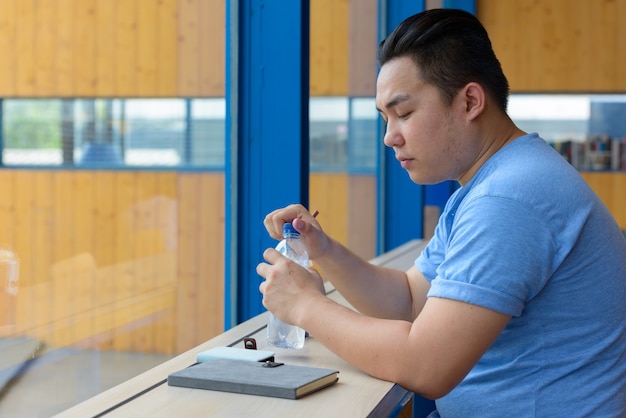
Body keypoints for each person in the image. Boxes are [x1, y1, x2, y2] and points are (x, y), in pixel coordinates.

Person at [256, 8, 626, 417]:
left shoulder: (509, 199)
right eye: (385, 118)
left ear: (469, 100)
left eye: (404, 113)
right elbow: (411, 300)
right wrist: (323, 249)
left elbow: (426, 365)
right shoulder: (494, 180)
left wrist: (306, 306)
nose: (389, 137)